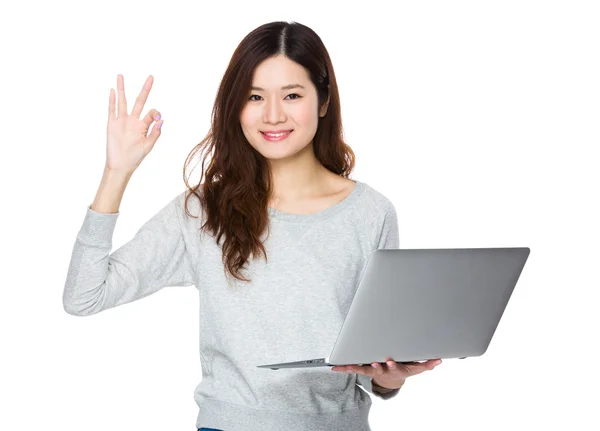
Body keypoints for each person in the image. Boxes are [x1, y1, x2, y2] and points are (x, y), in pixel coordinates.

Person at [63, 21, 441, 431]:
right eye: (255, 96)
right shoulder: (203, 210)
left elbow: (376, 360)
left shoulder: (370, 212)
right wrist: (116, 172)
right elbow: (84, 296)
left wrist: (389, 379)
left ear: (323, 101)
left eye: (292, 95)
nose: (273, 114)